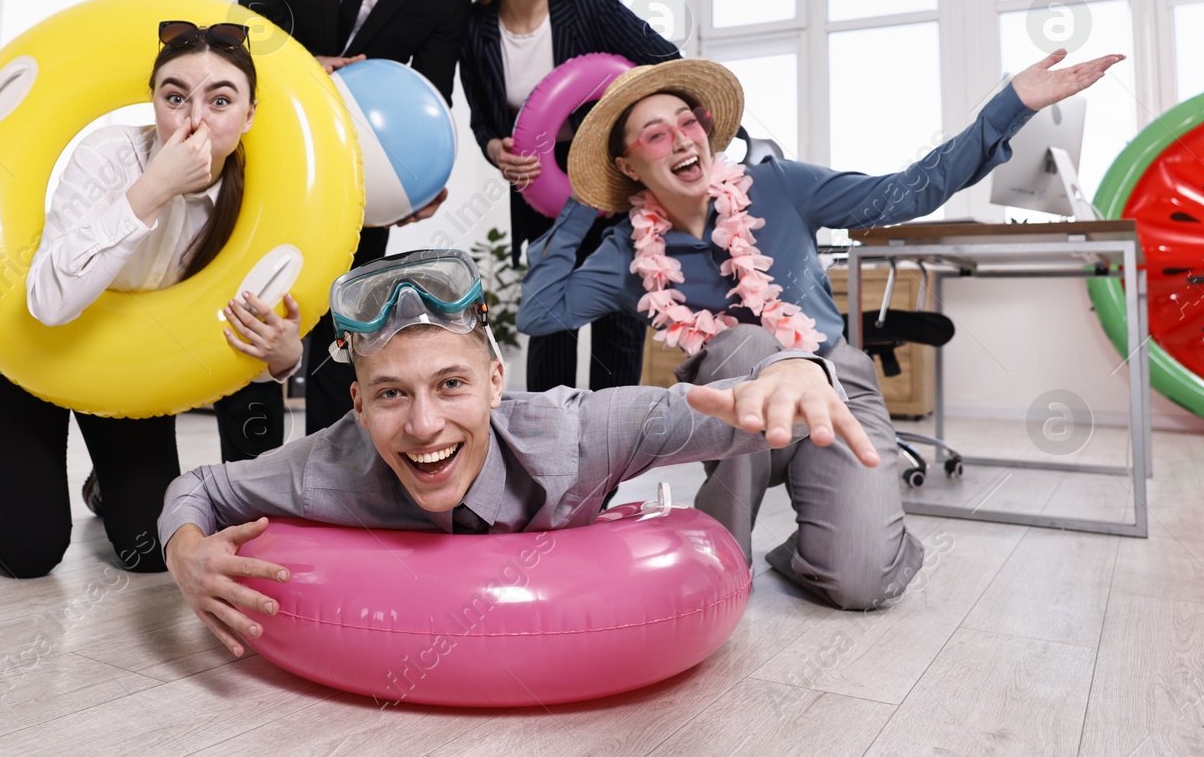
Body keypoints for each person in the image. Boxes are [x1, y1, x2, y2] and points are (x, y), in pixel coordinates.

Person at [517, 49, 1124, 609]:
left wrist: (1011, 104)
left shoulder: (778, 185)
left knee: (858, 583)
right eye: (655, 134)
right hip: (732, 412)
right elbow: (541, 314)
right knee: (746, 344)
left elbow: (909, 191)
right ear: (629, 164)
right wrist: (579, 202)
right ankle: (719, 563)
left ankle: (817, 550)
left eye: (689, 121)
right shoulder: (630, 250)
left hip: (834, 387)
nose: (682, 139)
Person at [158, 249, 878, 657]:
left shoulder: (575, 432)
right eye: (389, 396)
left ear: (496, 380)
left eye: (450, 384)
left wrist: (795, 370)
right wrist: (185, 553)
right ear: (357, 405)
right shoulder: (327, 465)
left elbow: (716, 414)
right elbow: (203, 486)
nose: (424, 424)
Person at [0, 22, 302, 578]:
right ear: (154, 103)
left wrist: (284, 358)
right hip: (31, 354)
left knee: (148, 551)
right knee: (29, 553)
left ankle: (107, 479)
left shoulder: (261, 198)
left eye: (221, 100)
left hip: (124, 368)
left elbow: (233, 338)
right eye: (175, 98)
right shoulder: (106, 155)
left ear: (248, 115)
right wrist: (153, 189)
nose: (194, 120)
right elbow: (48, 302)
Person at [239, 0, 476, 435]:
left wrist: (428, 176)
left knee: (339, 332)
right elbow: (245, 32)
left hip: (362, 177)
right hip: (271, 148)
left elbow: (434, 87)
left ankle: (321, 481)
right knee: (254, 306)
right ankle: (250, 473)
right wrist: (304, 69)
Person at [460, 0, 678, 392]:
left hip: (613, 175)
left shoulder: (590, 4)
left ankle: (611, 459)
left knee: (618, 321)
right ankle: (546, 457)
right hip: (541, 185)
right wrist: (495, 149)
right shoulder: (473, 27)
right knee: (550, 322)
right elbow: (482, 119)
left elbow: (665, 60)